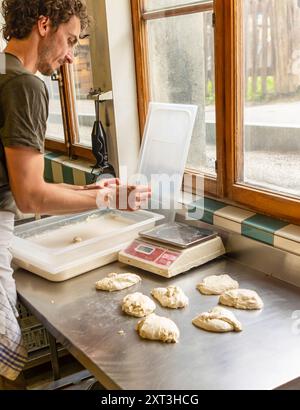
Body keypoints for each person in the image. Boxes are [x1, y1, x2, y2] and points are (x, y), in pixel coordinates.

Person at [0, 0, 151, 389]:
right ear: (43, 24)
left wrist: (90, 189)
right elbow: (31, 197)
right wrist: (111, 200)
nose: (70, 57)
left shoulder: (2, 70)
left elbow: (21, 185)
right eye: (70, 41)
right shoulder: (25, 85)